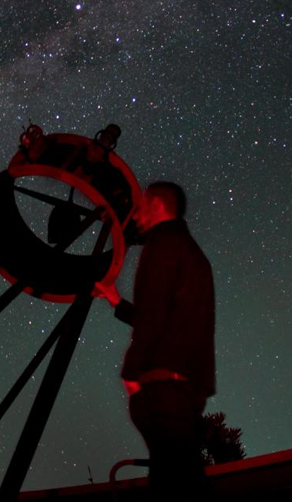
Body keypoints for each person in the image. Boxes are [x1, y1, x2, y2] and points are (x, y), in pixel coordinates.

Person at [95, 181, 215, 501]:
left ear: (159, 207)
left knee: (172, 485)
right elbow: (164, 315)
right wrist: (116, 301)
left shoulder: (164, 244)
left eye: (143, 205)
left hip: (164, 390)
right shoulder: (186, 250)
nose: (137, 213)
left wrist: (131, 375)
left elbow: (153, 319)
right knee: (182, 478)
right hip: (183, 388)